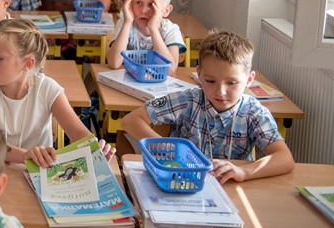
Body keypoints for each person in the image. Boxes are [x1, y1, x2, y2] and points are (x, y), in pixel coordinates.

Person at [122, 30, 295, 183]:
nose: (220, 92)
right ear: (199, 74)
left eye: (231, 83)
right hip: (183, 181)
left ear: (249, 79)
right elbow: (130, 120)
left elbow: (285, 158)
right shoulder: (188, 100)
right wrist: (167, 147)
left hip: (232, 187)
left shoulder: (254, 112)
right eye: (210, 81)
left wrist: (244, 172)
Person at [0, 19, 114, 166]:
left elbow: (78, 133)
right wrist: (25, 155)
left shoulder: (47, 88)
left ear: (27, 64)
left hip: (42, 171)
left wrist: (95, 151)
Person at [106, 0, 185, 75]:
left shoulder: (171, 30)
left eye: (151, 5)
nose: (143, 10)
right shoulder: (125, 23)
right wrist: (127, 23)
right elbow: (114, 63)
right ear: (130, 4)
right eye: (139, 3)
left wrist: (153, 29)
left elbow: (169, 70)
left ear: (166, 10)